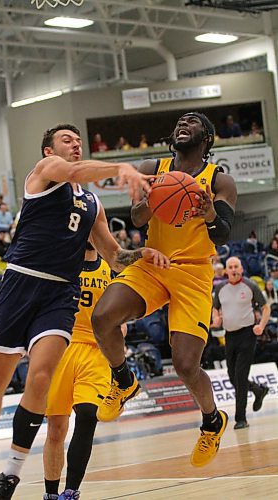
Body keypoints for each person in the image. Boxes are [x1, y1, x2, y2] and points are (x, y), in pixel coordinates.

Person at [0, 123, 167, 500]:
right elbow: (74, 172)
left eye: (78, 141)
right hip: (21, 283)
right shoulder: (45, 172)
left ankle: (12, 472)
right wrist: (122, 169)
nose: (76, 145)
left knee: (40, 377)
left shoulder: (92, 204)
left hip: (60, 293)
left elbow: (115, 257)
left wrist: (142, 254)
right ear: (49, 151)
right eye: (67, 140)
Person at [92, 111, 237, 468]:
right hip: (154, 262)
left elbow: (223, 234)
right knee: (102, 316)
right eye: (180, 122)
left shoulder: (220, 180)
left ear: (207, 137)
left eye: (193, 121)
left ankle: (212, 422)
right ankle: (124, 381)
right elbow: (138, 219)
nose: (183, 123)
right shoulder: (152, 165)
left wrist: (209, 215)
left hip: (194, 272)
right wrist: (153, 197)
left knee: (186, 366)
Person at [43, 242, 124, 500]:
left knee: (88, 414)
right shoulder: (63, 263)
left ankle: (71, 491)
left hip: (96, 349)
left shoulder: (110, 270)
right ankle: (51, 494)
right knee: (56, 427)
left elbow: (121, 308)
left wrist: (121, 325)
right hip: (62, 346)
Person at [212, 256, 270, 429]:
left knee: (240, 375)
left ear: (241, 269)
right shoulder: (220, 288)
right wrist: (216, 318)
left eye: (236, 266)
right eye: (230, 267)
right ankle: (258, 390)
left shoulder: (250, 285)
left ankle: (241, 419)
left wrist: (261, 325)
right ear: (226, 271)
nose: (234, 269)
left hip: (247, 334)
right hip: (230, 335)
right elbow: (215, 307)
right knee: (232, 377)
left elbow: (265, 307)